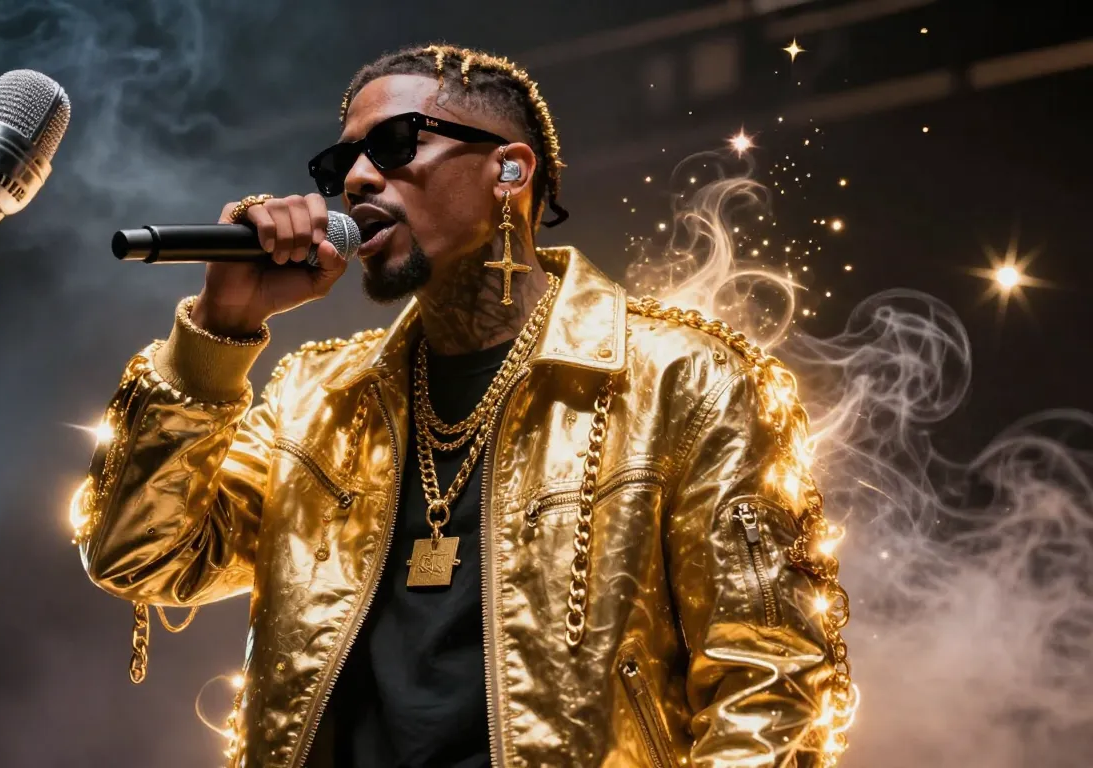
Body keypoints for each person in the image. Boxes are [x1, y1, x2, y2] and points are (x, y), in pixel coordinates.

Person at [71, 44, 855, 768]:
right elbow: (139, 557)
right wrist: (220, 330)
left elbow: (770, 686)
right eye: (340, 162)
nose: (356, 180)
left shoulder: (684, 382)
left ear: (509, 171)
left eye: (395, 144)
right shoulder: (315, 399)